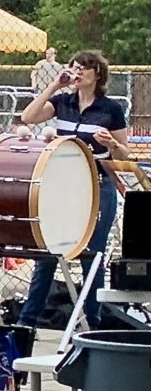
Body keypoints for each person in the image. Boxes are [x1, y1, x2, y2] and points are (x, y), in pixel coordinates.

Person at [16, 49, 131, 329]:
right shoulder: (63, 102)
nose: (77, 72)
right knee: (49, 251)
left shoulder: (110, 109)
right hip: (64, 184)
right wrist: (55, 85)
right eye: (74, 67)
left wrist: (111, 146)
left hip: (97, 184)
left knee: (94, 255)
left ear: (97, 75)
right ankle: (26, 322)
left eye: (84, 68)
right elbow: (29, 117)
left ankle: (94, 322)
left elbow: (125, 154)